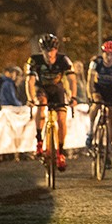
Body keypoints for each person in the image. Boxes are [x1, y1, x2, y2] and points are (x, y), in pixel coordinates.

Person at [26, 33, 77, 170]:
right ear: (41, 50)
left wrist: (73, 97)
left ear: (56, 49)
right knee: (41, 105)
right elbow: (30, 81)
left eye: (52, 50)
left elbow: (72, 80)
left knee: (61, 119)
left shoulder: (64, 60)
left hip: (57, 89)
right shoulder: (34, 60)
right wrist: (30, 99)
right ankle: (39, 141)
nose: (49, 54)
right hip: (41, 88)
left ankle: (60, 151)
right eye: (46, 50)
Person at [86, 40, 112, 170]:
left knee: (110, 118)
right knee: (96, 105)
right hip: (98, 88)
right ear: (103, 53)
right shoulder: (96, 62)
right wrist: (89, 95)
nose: (109, 58)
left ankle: (108, 149)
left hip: (111, 90)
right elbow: (89, 81)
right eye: (107, 54)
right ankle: (90, 131)